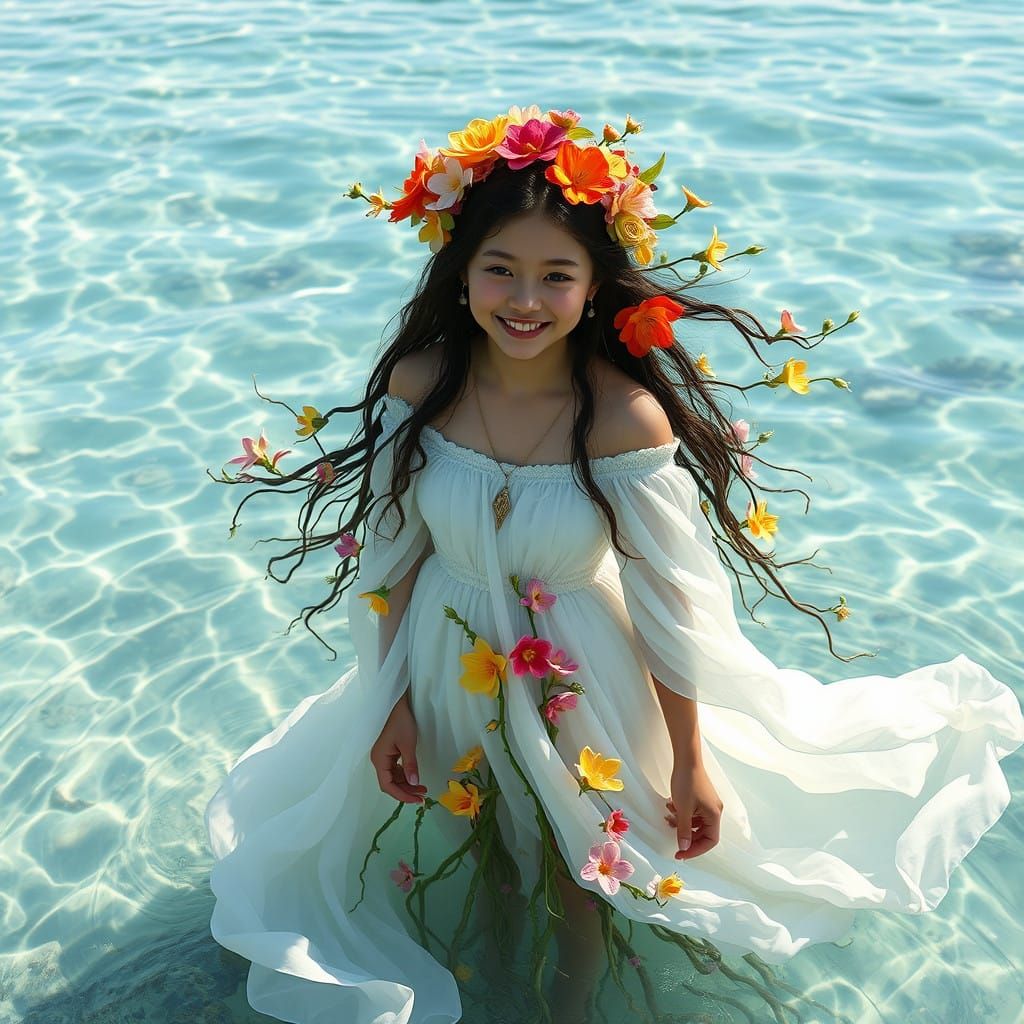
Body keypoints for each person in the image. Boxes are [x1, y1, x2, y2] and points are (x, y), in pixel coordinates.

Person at [205, 106, 1024, 1024]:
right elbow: (393, 560)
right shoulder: (422, 385)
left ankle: (568, 1015)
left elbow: (670, 605)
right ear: (461, 273)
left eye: (557, 275)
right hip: (446, 662)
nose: (525, 299)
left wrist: (690, 759)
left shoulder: (624, 418)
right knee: (492, 853)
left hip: (583, 675)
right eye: (500, 269)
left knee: (581, 877)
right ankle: (497, 985)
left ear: (594, 287)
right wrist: (390, 697)